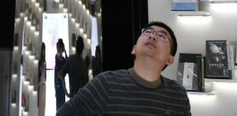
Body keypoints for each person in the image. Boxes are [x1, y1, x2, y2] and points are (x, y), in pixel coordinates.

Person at [58, 22, 190, 114]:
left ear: (169, 59)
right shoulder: (106, 84)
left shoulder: (178, 95)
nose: (152, 36)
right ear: (134, 49)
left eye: (162, 35)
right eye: (148, 32)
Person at [54, 39, 67, 109]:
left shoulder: (64, 59)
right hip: (58, 83)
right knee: (59, 105)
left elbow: (68, 64)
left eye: (60, 48)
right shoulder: (56, 58)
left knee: (62, 105)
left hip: (62, 83)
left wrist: (65, 52)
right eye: (58, 48)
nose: (58, 49)